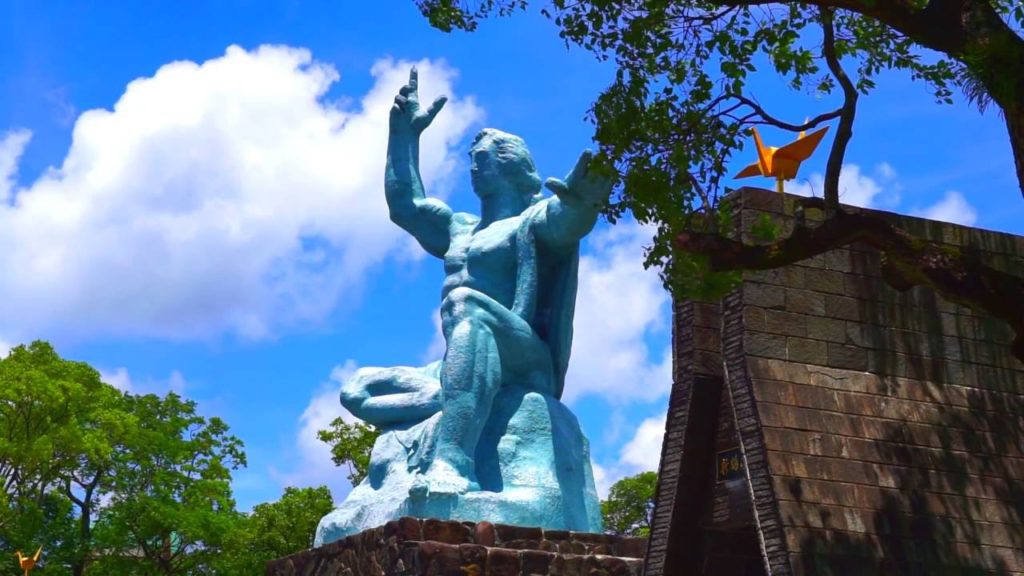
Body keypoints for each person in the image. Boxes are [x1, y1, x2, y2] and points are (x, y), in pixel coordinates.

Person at [352, 67, 612, 497]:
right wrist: (402, 136)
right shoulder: (458, 227)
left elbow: (568, 223)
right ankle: (455, 399)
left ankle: (453, 460)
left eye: (481, 159)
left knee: (466, 305)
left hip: (523, 354)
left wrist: (584, 202)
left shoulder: (531, 220)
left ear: (510, 164)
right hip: (463, 356)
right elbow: (406, 206)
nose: (472, 167)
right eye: (471, 160)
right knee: (358, 389)